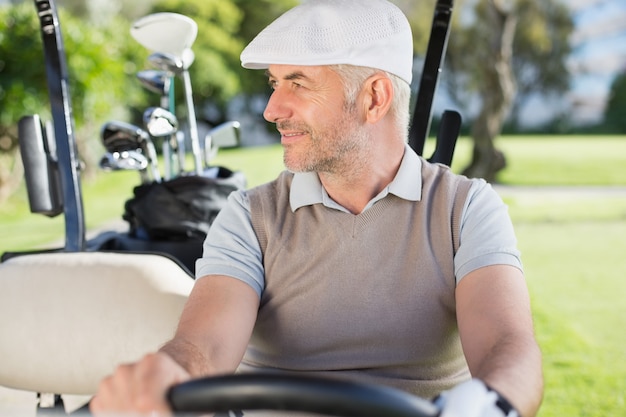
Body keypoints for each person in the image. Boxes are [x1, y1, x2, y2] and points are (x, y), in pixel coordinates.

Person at [90, 1, 543, 416]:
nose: (271, 109)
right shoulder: (250, 216)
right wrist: (170, 372)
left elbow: (508, 348)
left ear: (374, 98)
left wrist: (489, 403)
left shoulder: (465, 208)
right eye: (274, 83)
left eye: (297, 83)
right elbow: (202, 346)